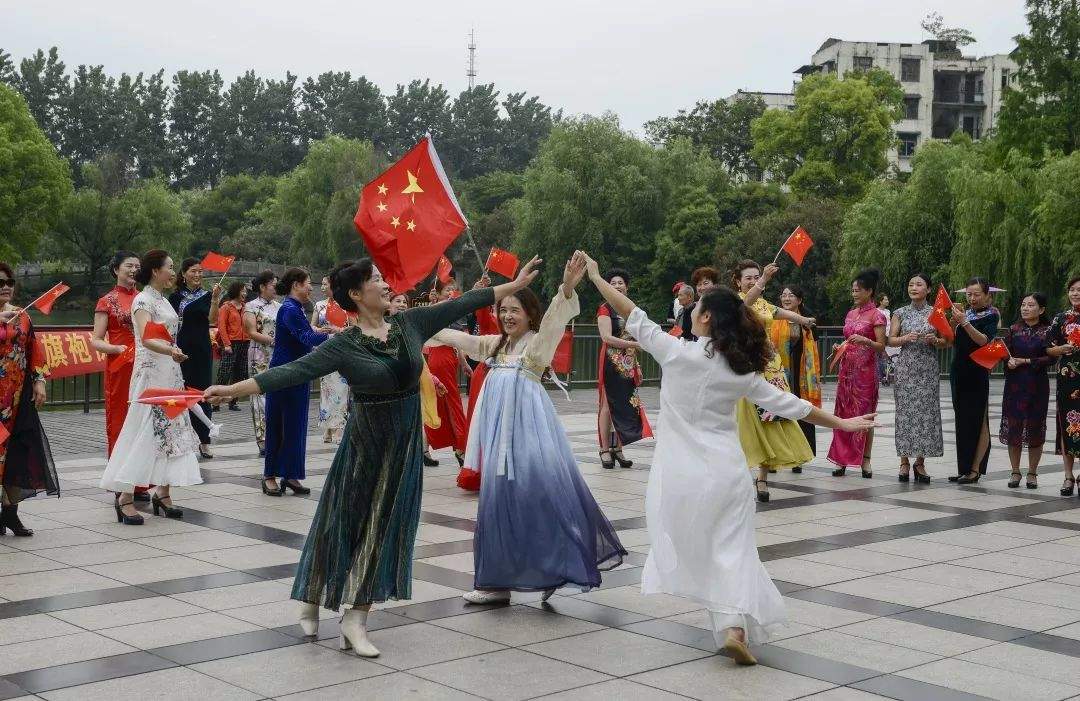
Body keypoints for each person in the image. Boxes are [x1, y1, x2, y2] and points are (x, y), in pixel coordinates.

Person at [204, 257, 542, 658]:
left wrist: (513, 284)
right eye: (376, 280)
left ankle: (356, 618)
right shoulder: (344, 344)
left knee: (385, 529)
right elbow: (292, 371)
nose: (385, 285)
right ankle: (312, 593)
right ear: (355, 294)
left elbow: (464, 302)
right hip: (363, 446)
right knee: (341, 522)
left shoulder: (409, 324)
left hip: (403, 448)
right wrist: (232, 389)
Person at [584, 252, 875, 665]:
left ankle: (731, 626)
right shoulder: (740, 371)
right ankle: (734, 626)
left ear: (704, 320)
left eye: (697, 307)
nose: (693, 309)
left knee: (705, 549)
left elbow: (630, 312)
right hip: (728, 472)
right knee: (733, 550)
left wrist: (596, 276)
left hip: (682, 475)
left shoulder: (675, 352)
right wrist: (843, 424)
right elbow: (793, 405)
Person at [430, 253, 626, 604]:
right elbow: (453, 339)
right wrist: (416, 321)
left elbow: (555, 317)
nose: (506, 316)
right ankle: (494, 583)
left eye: (514, 310)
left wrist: (566, 286)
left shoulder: (537, 345)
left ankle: (554, 566)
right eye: (502, 310)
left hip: (529, 436)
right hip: (498, 441)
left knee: (537, 501)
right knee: (496, 505)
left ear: (529, 315)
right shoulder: (493, 345)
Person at [99, 250, 204, 525]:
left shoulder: (163, 300)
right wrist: (171, 351)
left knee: (172, 428)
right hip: (150, 374)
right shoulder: (142, 300)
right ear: (156, 271)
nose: (174, 272)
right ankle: (125, 497)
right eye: (170, 267)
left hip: (170, 371)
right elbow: (146, 338)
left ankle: (163, 492)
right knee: (142, 430)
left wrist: (173, 353)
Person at [732, 260, 815, 502]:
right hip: (746, 366)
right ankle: (738, 474)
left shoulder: (763, 303)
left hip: (771, 366)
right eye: (748, 277)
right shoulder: (734, 301)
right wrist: (764, 279)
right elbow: (743, 307)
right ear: (738, 281)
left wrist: (804, 320)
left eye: (755, 276)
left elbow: (779, 313)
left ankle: (763, 477)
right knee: (746, 421)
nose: (752, 280)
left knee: (772, 418)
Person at [0, 264, 59, 537]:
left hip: (17, 397)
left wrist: (39, 381)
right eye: (0, 282)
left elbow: (34, 349)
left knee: (17, 453)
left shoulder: (22, 316)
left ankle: (10, 514)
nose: (6, 286)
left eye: (9, 282)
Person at [91, 251, 154, 501]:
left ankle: (140, 483)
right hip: (120, 368)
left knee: (143, 422)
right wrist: (115, 349)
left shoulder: (145, 298)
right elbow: (96, 340)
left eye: (137, 267)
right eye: (129, 266)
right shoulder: (106, 301)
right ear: (116, 269)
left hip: (145, 365)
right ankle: (121, 481)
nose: (133, 270)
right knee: (120, 423)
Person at [262, 268, 328, 496]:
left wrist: (327, 331)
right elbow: (306, 337)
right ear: (296, 285)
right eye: (308, 283)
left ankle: (291, 475)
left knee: (296, 425)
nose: (311, 287)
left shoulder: (296, 309)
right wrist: (334, 336)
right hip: (283, 374)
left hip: (299, 373)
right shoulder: (289, 309)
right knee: (277, 424)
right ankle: (269, 475)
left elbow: (307, 334)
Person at [828, 269, 887, 477]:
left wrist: (866, 341)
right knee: (842, 414)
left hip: (866, 374)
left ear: (869, 291)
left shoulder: (877, 315)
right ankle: (841, 459)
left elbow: (881, 346)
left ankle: (866, 459)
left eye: (858, 290)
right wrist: (840, 347)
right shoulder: (851, 313)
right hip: (846, 372)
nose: (854, 294)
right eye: (853, 290)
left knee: (864, 415)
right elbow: (847, 339)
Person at [888, 274, 946, 483]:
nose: (913, 287)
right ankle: (904, 461)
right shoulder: (900, 313)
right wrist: (905, 338)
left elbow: (947, 341)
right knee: (904, 414)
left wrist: (935, 340)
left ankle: (920, 462)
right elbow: (891, 340)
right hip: (906, 368)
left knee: (926, 415)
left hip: (927, 369)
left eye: (919, 284)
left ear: (928, 289)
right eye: (911, 284)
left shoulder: (936, 313)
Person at [596, 268, 652, 469]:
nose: (617, 286)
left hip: (628, 362)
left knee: (626, 404)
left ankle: (618, 448)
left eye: (620, 283)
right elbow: (606, 338)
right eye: (613, 283)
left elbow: (632, 338)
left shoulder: (630, 310)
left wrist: (637, 364)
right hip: (611, 361)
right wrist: (636, 345)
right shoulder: (604, 308)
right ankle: (604, 449)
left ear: (626, 287)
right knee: (607, 405)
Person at [169, 258, 222, 459]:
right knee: (181, 393)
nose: (198, 275)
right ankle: (184, 437)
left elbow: (212, 320)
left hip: (201, 349)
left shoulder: (208, 295)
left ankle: (204, 440)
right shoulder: (175, 298)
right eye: (193, 271)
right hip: (181, 349)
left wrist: (216, 299)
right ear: (183, 274)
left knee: (202, 393)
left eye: (200, 272)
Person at [949, 277, 1001, 484]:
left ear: (987, 295)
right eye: (969, 294)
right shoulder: (965, 314)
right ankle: (964, 468)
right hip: (959, 371)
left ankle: (975, 468)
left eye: (977, 294)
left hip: (977, 371)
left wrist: (964, 323)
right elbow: (955, 341)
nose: (972, 298)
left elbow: (983, 340)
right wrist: (950, 326)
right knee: (963, 421)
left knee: (978, 420)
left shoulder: (992, 314)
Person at [1000, 292, 1053, 489]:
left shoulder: (1048, 331)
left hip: (1037, 385)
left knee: (1034, 427)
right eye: (1023, 305)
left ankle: (1032, 472)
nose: (1025, 308)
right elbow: (1004, 352)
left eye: (1031, 305)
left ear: (1041, 310)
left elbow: (1051, 358)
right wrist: (1008, 360)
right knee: (1013, 426)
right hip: (1015, 385)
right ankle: (1015, 471)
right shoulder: (1013, 330)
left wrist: (1026, 361)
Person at [771, 285, 822, 471]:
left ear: (799, 300)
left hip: (802, 374)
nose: (786, 298)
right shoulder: (774, 319)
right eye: (783, 295)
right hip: (779, 373)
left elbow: (814, 351)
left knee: (801, 410)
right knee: (777, 412)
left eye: (791, 295)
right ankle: (775, 456)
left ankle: (799, 457)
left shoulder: (808, 322)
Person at [423, 278, 470, 466]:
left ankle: (424, 448)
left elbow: (456, 340)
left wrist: (463, 362)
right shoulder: (435, 309)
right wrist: (438, 303)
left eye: (453, 288)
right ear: (439, 292)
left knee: (441, 403)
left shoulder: (454, 311)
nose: (451, 291)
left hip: (449, 356)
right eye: (447, 289)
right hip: (439, 357)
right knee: (451, 402)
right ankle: (460, 448)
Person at [1048, 276, 1080, 496]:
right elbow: (1048, 348)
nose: (1076, 293)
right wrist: (1061, 349)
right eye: (1073, 290)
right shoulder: (1061, 318)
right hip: (1068, 378)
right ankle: (1068, 475)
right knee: (1068, 424)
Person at [243, 270, 280, 456]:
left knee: (277, 392)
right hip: (259, 354)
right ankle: (262, 438)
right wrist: (272, 341)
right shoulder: (251, 306)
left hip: (278, 354)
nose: (276, 287)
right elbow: (251, 331)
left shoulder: (279, 306)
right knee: (259, 394)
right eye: (273, 284)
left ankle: (276, 435)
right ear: (262, 286)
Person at [312, 276, 349, 443]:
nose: (322, 287)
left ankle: (339, 427)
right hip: (324, 348)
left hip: (342, 348)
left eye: (325, 284)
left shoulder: (347, 304)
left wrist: (338, 329)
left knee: (342, 389)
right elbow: (311, 325)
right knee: (326, 390)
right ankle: (327, 427)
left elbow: (353, 327)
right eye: (322, 284)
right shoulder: (319, 305)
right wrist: (318, 330)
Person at [215, 280, 250, 412]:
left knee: (240, 373)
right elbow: (221, 326)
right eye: (243, 290)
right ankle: (216, 402)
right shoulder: (226, 307)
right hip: (231, 343)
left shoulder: (246, 307)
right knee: (224, 372)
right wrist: (226, 344)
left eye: (245, 291)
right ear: (236, 291)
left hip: (245, 342)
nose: (245, 293)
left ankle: (233, 401)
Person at [680, 267, 720, 341]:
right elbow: (686, 336)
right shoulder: (690, 309)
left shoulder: (723, 305)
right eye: (699, 285)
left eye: (705, 283)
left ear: (715, 285)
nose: (702, 287)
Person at [877, 294, 898, 386]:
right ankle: (880, 376)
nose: (887, 301)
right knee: (880, 355)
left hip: (888, 335)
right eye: (885, 299)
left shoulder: (888, 311)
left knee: (888, 356)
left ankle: (886, 376)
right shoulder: (876, 311)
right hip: (881, 335)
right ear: (880, 301)